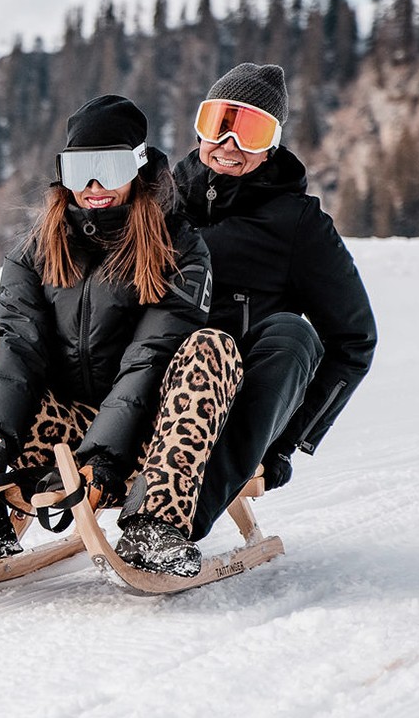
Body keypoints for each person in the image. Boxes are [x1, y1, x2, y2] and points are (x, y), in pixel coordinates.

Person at [0, 94, 243, 577]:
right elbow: (17, 351)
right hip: (58, 430)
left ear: (138, 167)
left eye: (109, 169)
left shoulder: (180, 248)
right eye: (79, 171)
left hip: (147, 441)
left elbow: (150, 357)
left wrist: (101, 459)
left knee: (212, 348)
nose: (93, 187)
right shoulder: (35, 250)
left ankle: (155, 524)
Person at [172, 62, 377, 540]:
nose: (229, 145)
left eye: (250, 132)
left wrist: (286, 440)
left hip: (226, 410)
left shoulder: (297, 223)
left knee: (292, 334)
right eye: (219, 124)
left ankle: (173, 524)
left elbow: (353, 339)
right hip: (146, 385)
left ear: (272, 145)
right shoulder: (161, 204)